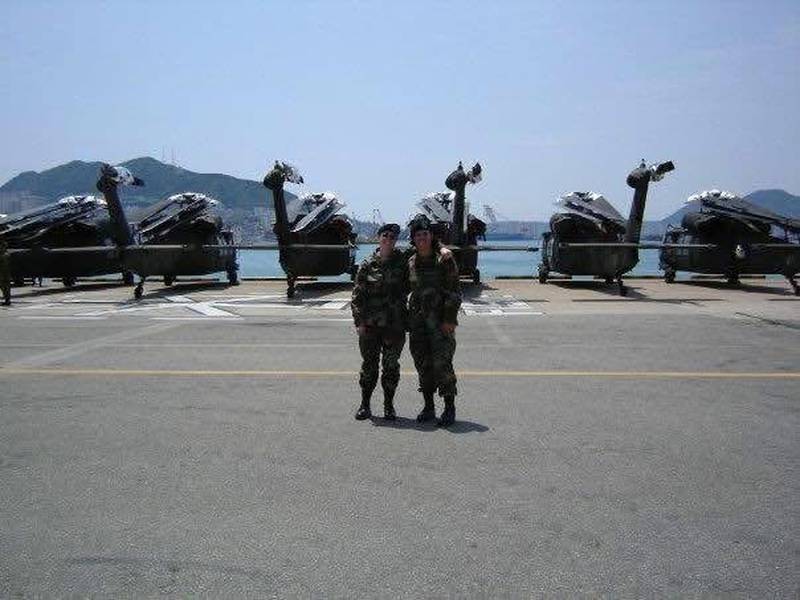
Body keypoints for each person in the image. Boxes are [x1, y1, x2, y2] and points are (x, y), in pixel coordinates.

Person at [407, 215, 462, 427]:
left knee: (443, 365)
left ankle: (449, 408)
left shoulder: (444, 259)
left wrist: (450, 319)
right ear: (414, 238)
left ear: (431, 236)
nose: (422, 238)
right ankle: (428, 407)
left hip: (441, 324)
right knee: (423, 365)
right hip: (418, 324)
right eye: (418, 235)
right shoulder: (410, 261)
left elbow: (455, 292)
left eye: (425, 234)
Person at [351, 223, 409, 421]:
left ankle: (388, 405)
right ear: (378, 238)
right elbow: (357, 297)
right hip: (370, 326)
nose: (388, 239)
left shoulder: (403, 261)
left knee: (391, 367)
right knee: (369, 366)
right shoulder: (367, 264)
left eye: (392, 237)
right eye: (385, 235)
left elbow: (426, 245)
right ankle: (365, 404)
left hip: (395, 326)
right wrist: (359, 323)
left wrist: (443, 249)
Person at [0, 240, 11, 306]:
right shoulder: (6, 254)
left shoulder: (4, 255)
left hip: (3, 274)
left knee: (5, 288)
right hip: (5, 274)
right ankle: (7, 300)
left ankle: (7, 300)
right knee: (5, 288)